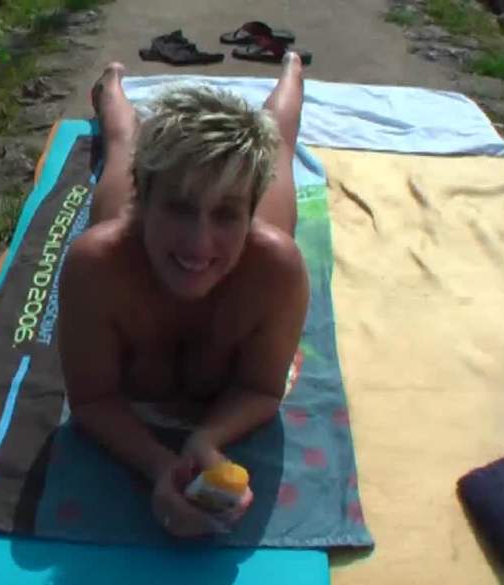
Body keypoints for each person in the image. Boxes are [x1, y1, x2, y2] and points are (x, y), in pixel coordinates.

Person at [57, 52, 310, 538]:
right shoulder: (98, 266)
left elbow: (262, 389)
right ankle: (111, 86)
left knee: (277, 139)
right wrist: (159, 465)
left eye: (227, 214)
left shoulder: (276, 269)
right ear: (144, 199)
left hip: (258, 237)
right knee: (122, 143)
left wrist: (208, 439)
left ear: (250, 212)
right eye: (178, 207)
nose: (199, 243)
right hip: (129, 225)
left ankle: (292, 68)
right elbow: (90, 399)